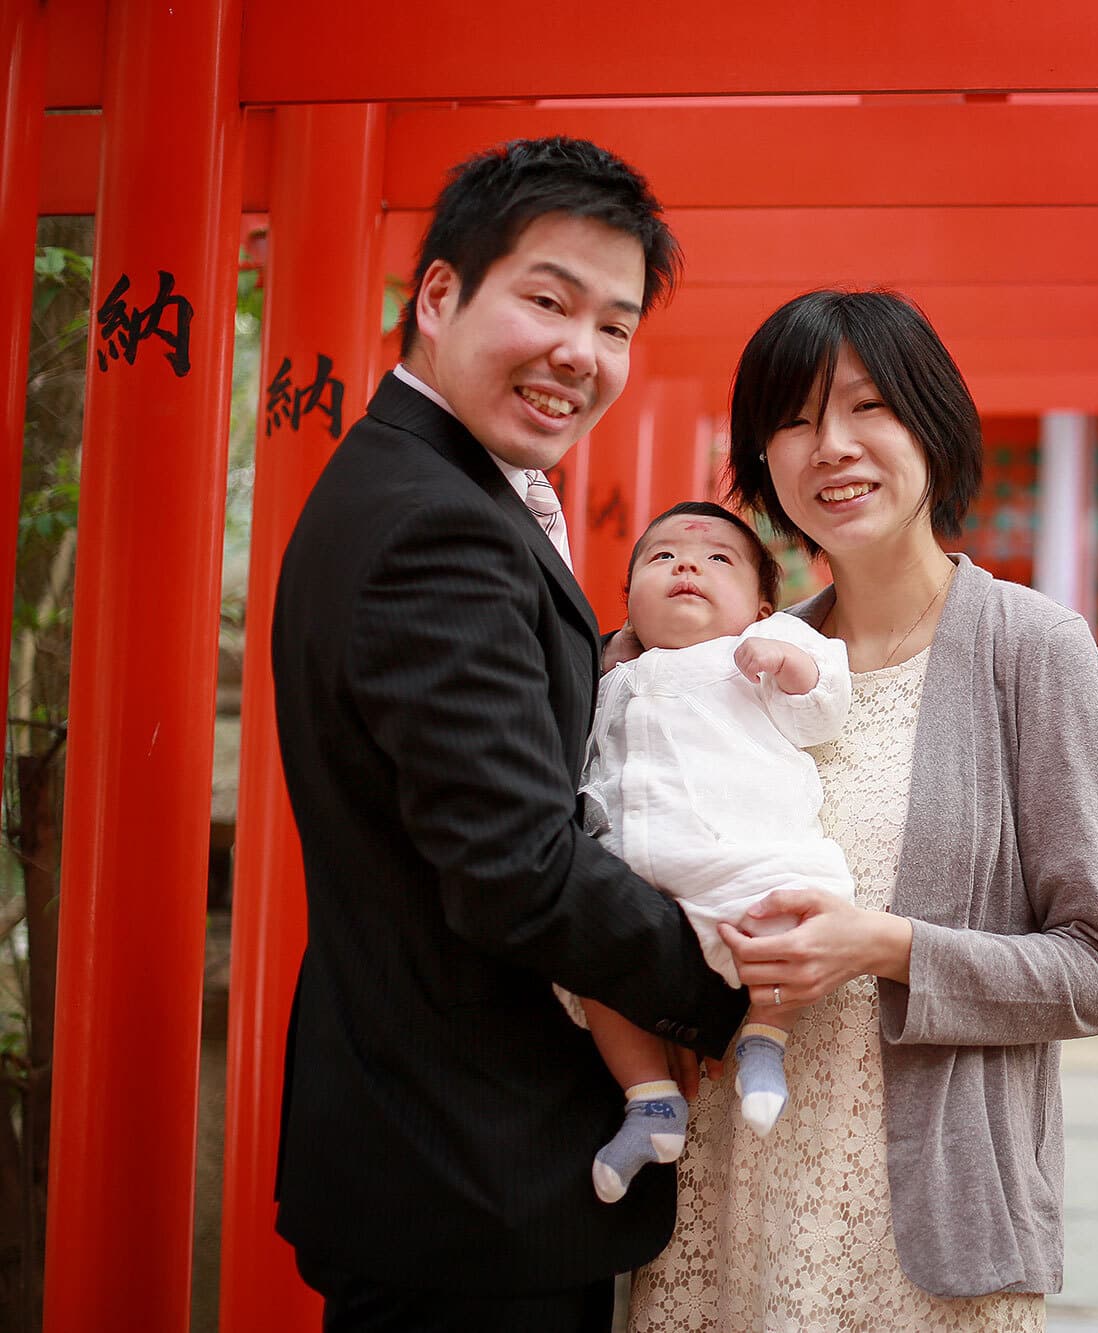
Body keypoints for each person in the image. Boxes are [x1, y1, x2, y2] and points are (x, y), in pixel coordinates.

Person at [269, 137, 748, 1331]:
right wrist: (732, 989)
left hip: (436, 1149)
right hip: (471, 1168)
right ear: (438, 294)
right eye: (546, 299)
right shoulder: (436, 527)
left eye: (616, 326)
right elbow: (515, 870)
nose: (579, 354)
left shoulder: (426, 485)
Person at [628, 289, 1098, 1332]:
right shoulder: (732, 662)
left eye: (868, 407)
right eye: (795, 418)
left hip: (923, 1237)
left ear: (933, 425)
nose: (832, 447)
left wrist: (885, 945)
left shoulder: (1031, 652)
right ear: (758, 459)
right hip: (724, 1206)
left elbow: (1096, 970)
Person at [574, 501, 854, 1204]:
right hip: (635, 871)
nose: (688, 564)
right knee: (588, 964)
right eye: (662, 557)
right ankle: (650, 1100)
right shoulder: (610, 673)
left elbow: (824, 705)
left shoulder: (761, 652)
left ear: (761, 605)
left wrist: (789, 664)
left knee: (788, 922)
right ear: (630, 601)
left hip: (741, 857)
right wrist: (606, 662)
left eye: (717, 559)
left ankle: (765, 1035)